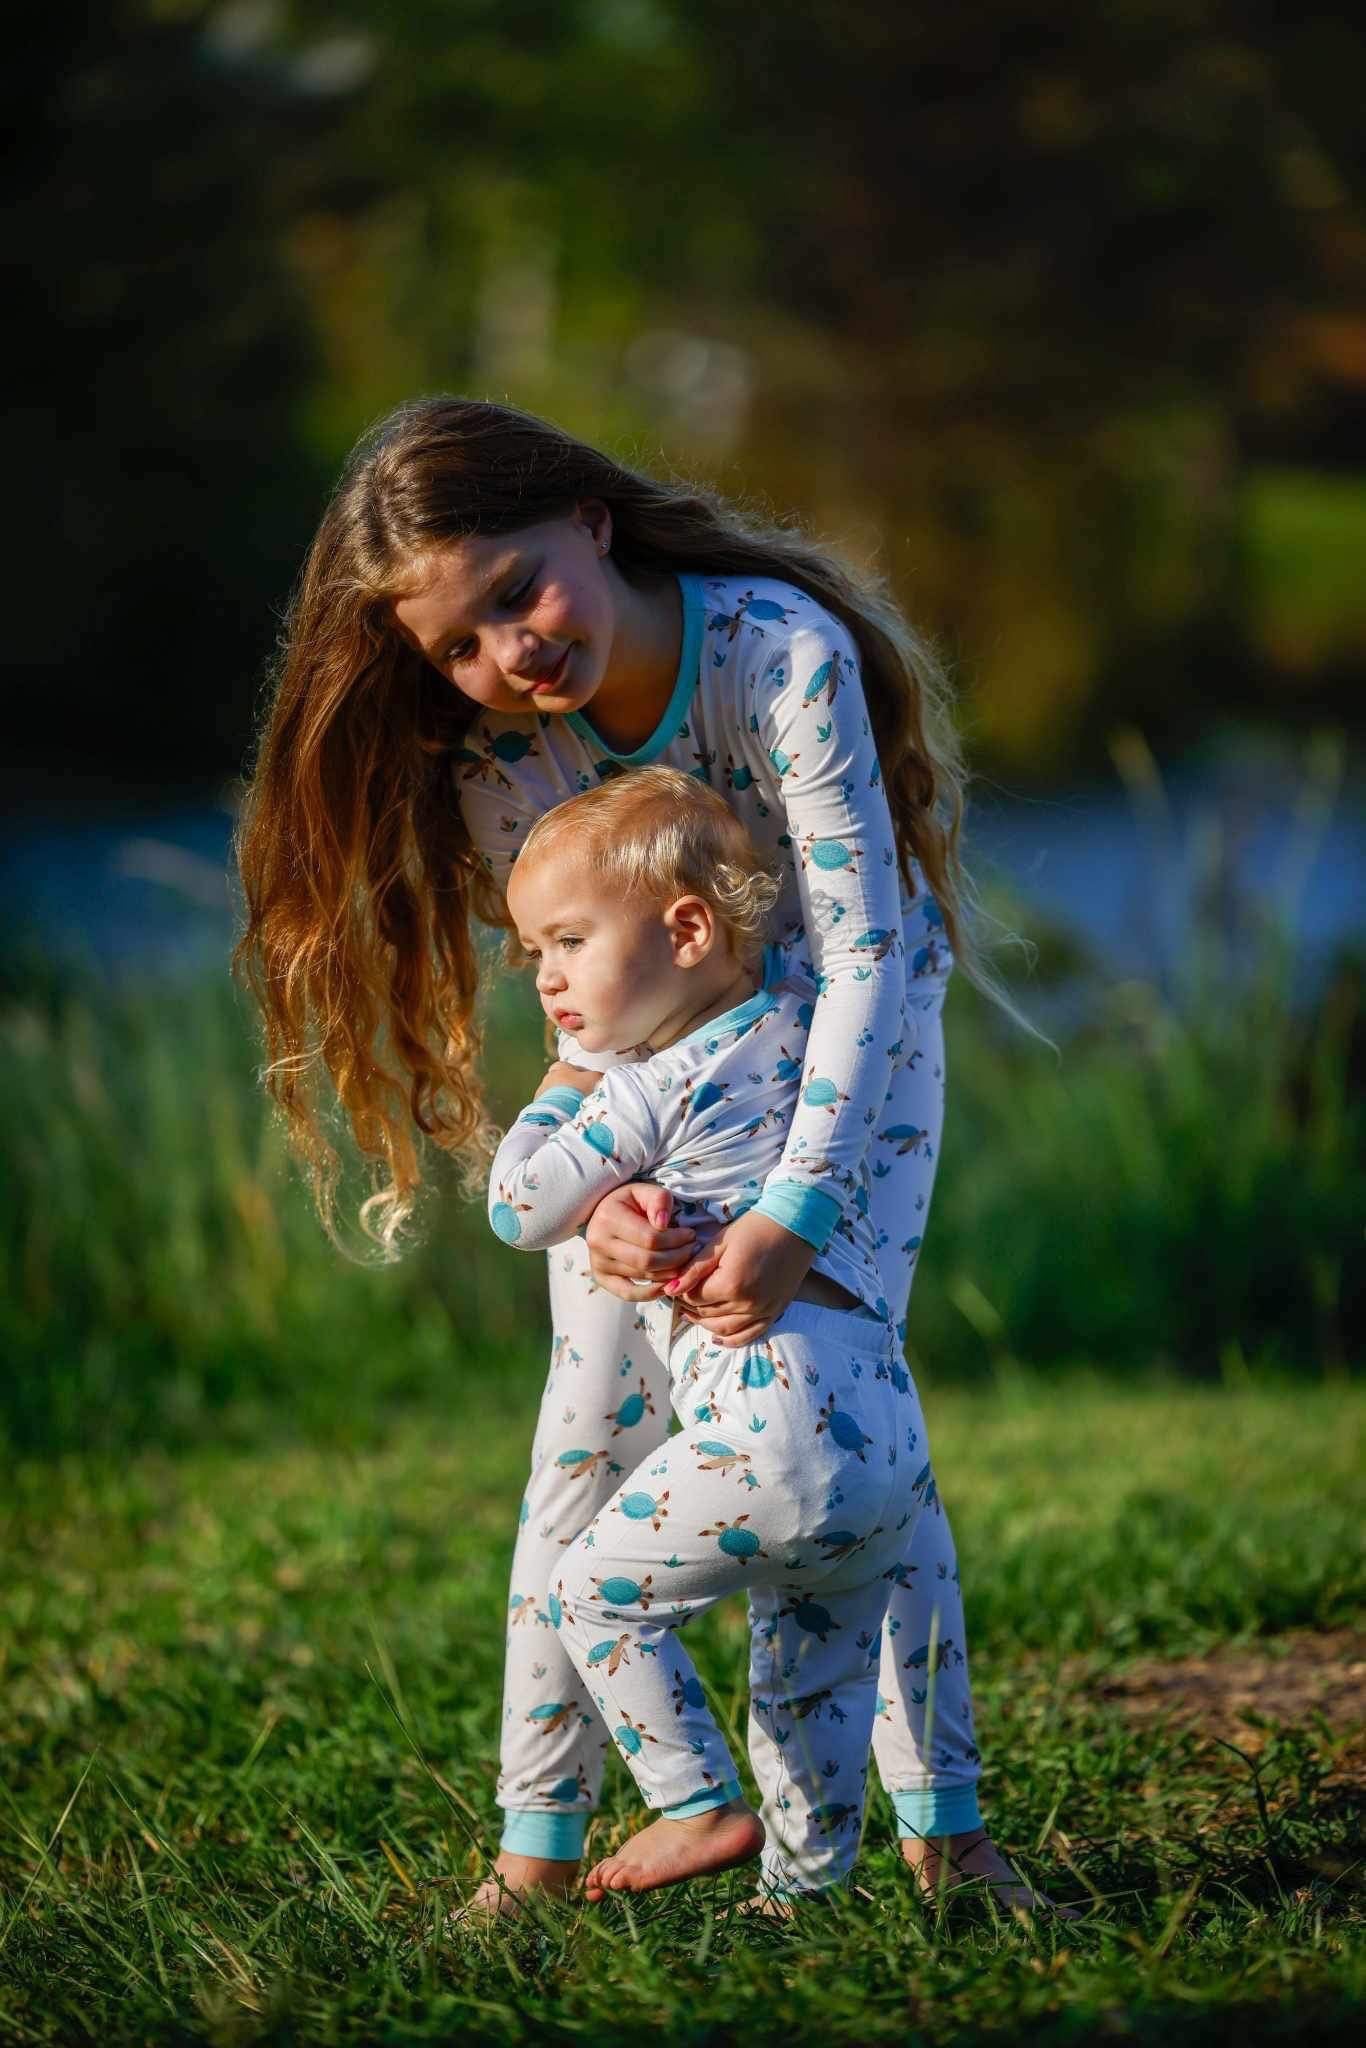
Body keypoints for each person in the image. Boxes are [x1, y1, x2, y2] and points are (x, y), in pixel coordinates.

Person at [234, 394, 1057, 1920]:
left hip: (847, 1066)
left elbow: (864, 957)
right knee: (583, 1436)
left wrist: (797, 1212)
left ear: (591, 521)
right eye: (458, 645)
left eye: (518, 591)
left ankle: (950, 1841)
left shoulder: (776, 653)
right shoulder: (501, 751)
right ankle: (535, 1857)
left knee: (856, 1405)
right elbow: (584, 1014)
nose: (510, 655)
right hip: (645, 1097)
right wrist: (604, 1203)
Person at [486, 766, 935, 1902]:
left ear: (687, 931)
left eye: (568, 942)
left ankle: (693, 1803)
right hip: (890, 1441)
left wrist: (565, 1087)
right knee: (814, 1686)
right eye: (533, 952)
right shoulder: (801, 1028)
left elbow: (518, 1207)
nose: (545, 978)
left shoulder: (646, 1090)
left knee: (588, 1595)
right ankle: (807, 1899)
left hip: (767, 1436)